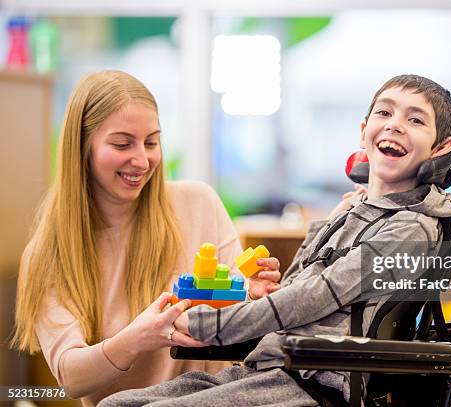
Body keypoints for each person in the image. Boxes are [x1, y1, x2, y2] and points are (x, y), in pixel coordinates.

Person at [99, 74, 451, 406]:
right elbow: (290, 290)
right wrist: (331, 225)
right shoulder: (349, 213)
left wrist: (214, 325)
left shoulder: (411, 228)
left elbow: (315, 297)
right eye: (384, 113)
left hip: (312, 384)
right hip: (267, 369)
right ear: (363, 130)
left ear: (440, 147)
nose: (396, 126)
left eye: (415, 120)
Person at [10, 70, 281, 407]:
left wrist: (253, 299)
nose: (142, 159)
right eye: (122, 144)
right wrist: (137, 338)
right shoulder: (49, 254)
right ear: (83, 148)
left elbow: (241, 324)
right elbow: (71, 376)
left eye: (151, 142)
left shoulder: (199, 203)